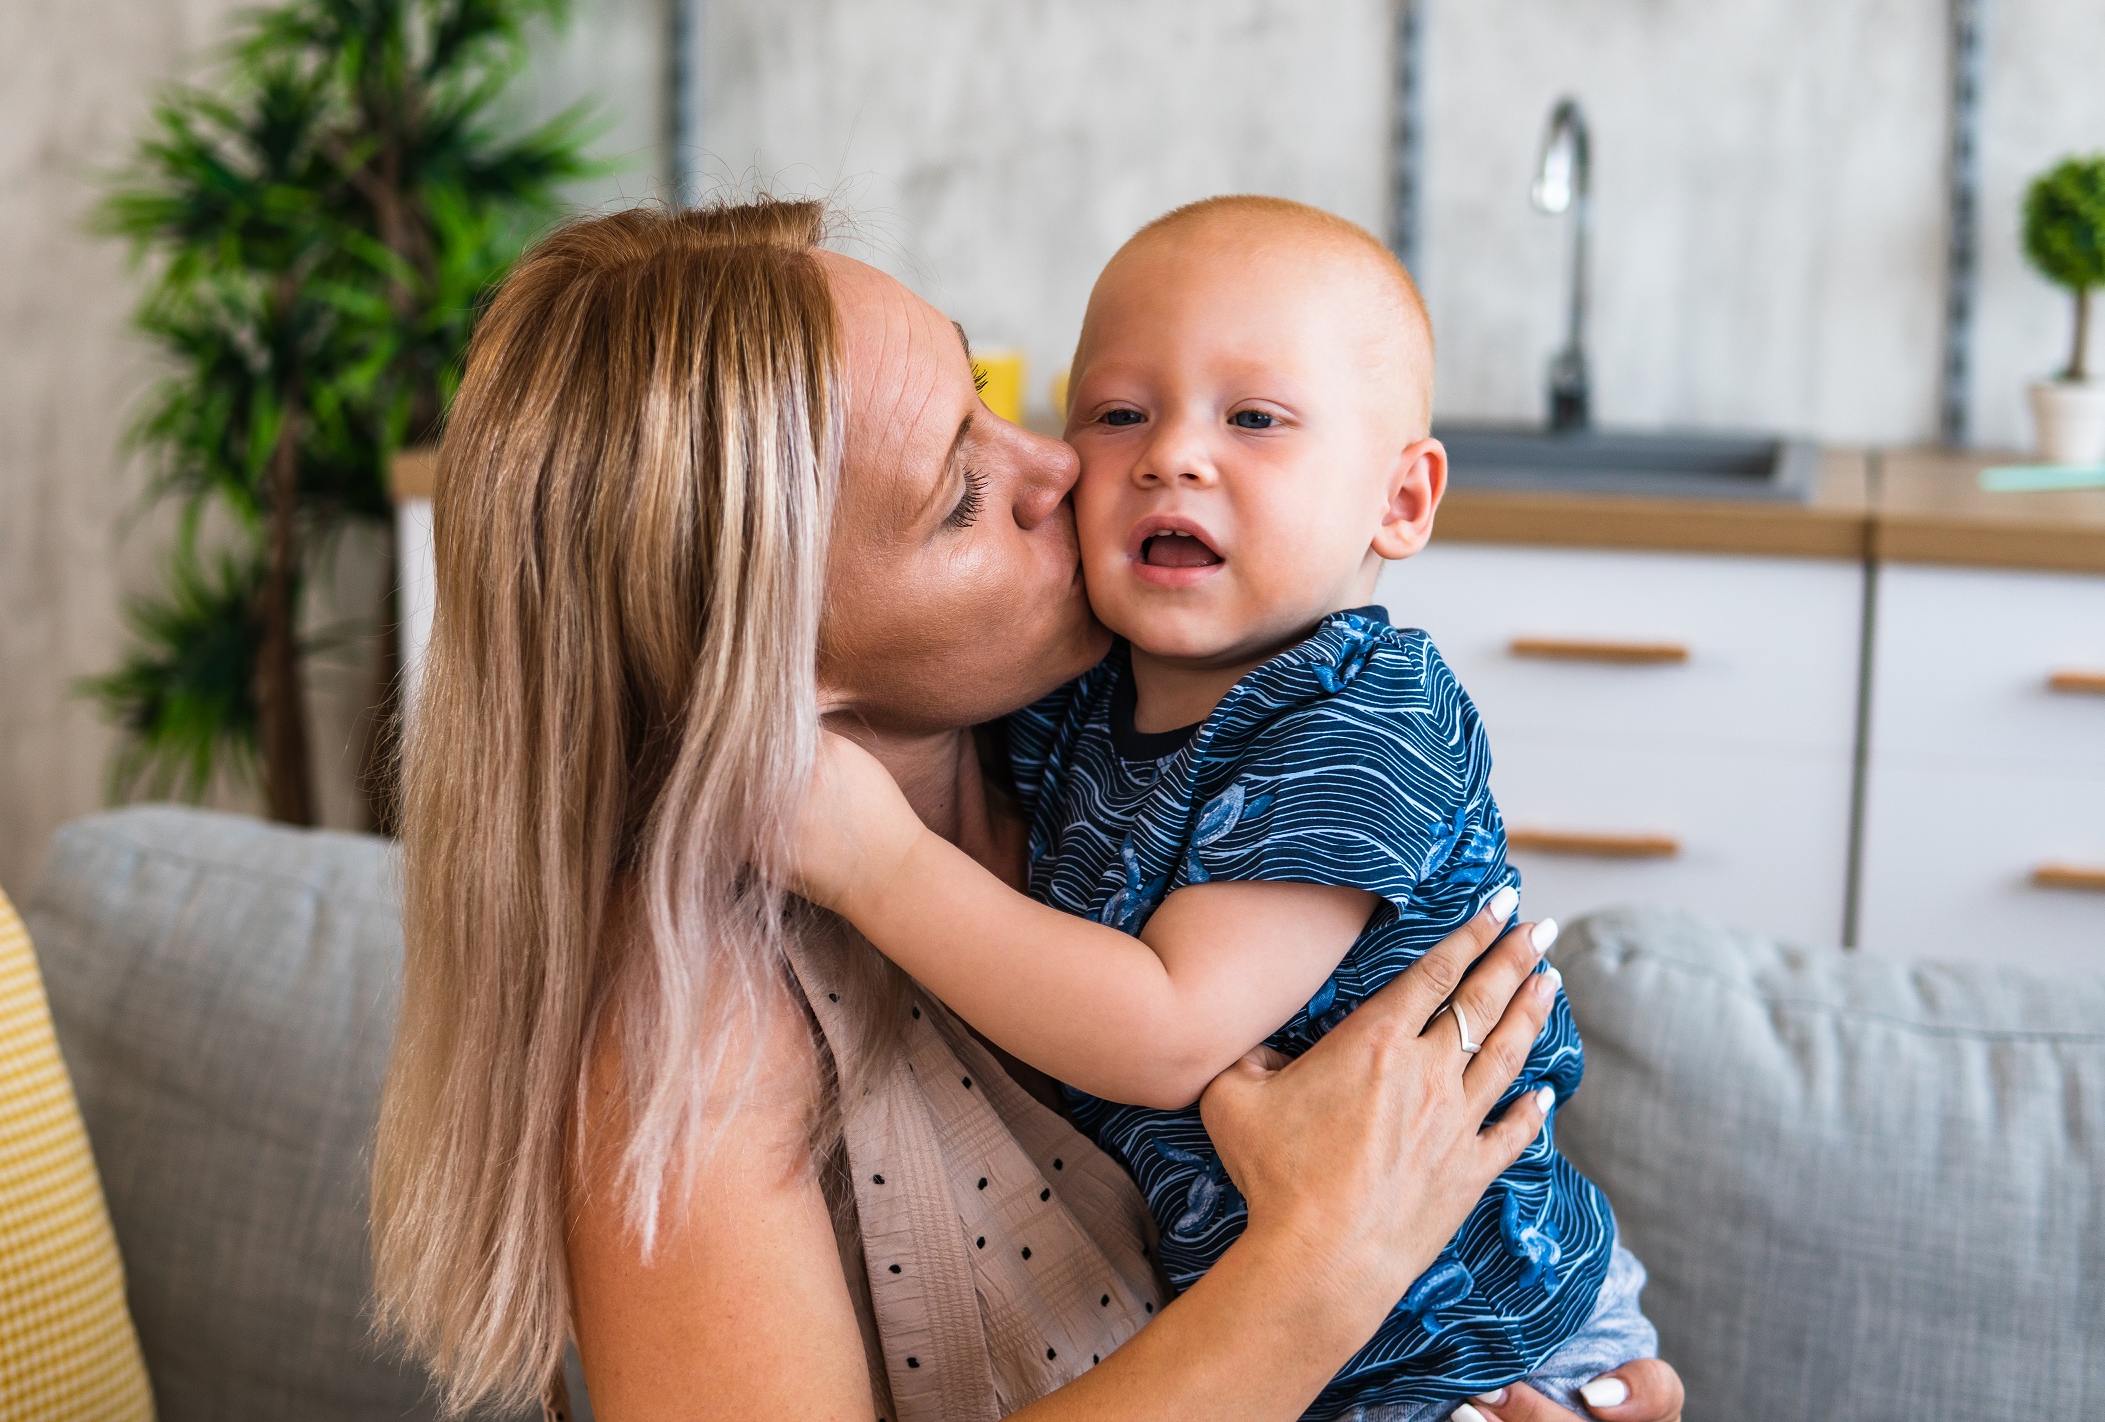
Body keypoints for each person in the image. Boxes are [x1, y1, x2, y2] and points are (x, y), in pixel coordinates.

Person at [368, 198, 1684, 1422]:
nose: (1062, 464)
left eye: (993, 402)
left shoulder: (1140, 722)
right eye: (960, 495)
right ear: (776, 667)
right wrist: (1328, 1255)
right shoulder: (694, 1034)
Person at [793, 196, 1654, 1421]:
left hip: (1469, 1335)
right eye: (1118, 413)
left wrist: (871, 861)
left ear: (1400, 504)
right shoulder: (1082, 699)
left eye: (1253, 418)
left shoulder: (1365, 718)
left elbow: (1164, 1032)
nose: (1170, 456)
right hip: (1296, 1336)